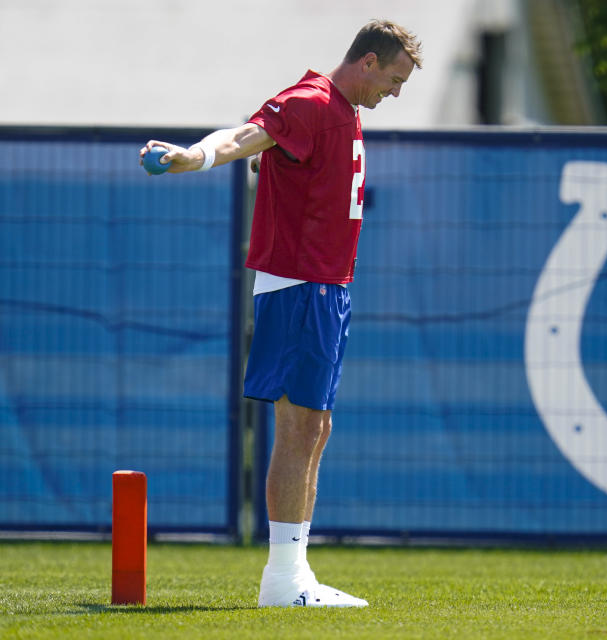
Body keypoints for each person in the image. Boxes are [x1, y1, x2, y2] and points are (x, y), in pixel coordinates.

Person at [139, 19, 422, 608]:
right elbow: (247, 135)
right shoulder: (310, 100)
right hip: (299, 285)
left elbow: (281, 162)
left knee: (316, 428)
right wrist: (193, 155)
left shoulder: (344, 111)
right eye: (394, 79)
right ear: (368, 61)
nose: (395, 93)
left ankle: (296, 572)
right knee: (298, 429)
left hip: (327, 289)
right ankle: (283, 581)